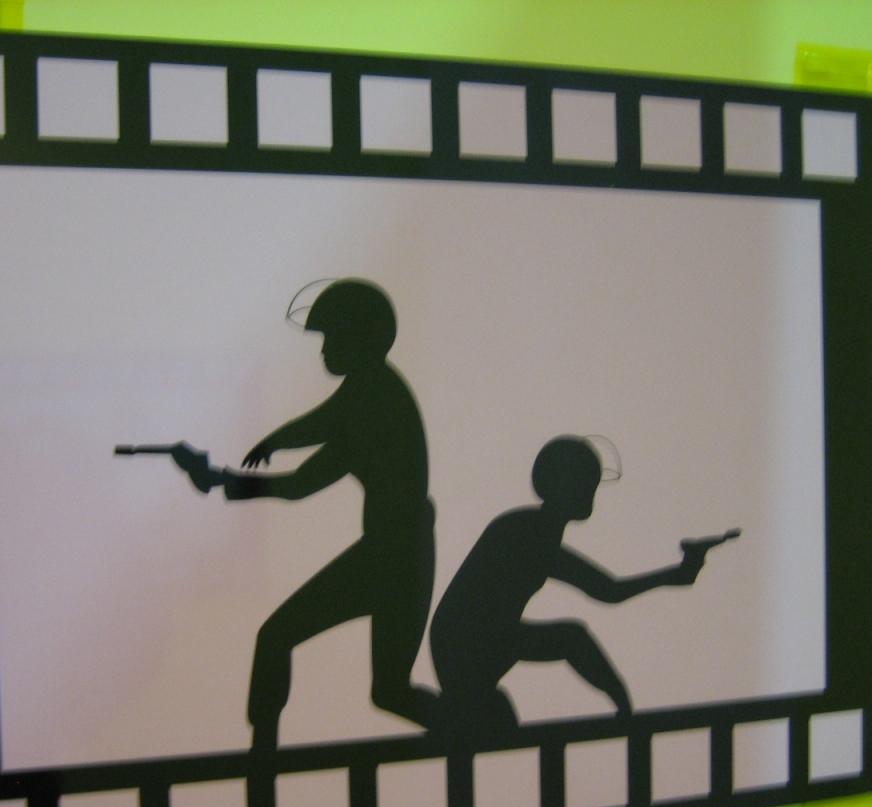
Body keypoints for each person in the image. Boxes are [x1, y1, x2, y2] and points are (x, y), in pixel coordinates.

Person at [170, 279, 441, 752]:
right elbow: (314, 444)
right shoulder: (368, 395)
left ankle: (263, 757)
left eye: (332, 337)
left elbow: (307, 464)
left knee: (289, 642)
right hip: (393, 554)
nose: (324, 349)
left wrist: (239, 469)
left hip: (395, 558)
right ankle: (263, 754)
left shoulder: (375, 400)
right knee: (380, 686)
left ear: (361, 339)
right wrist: (237, 469)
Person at [430, 434, 738, 738]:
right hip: (464, 644)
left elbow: (608, 589)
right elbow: (607, 591)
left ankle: (622, 706)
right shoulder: (528, 533)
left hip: (473, 641)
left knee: (565, 644)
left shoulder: (535, 530)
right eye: (584, 482)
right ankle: (624, 709)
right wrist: (677, 574)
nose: (590, 491)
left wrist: (679, 573)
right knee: (571, 638)